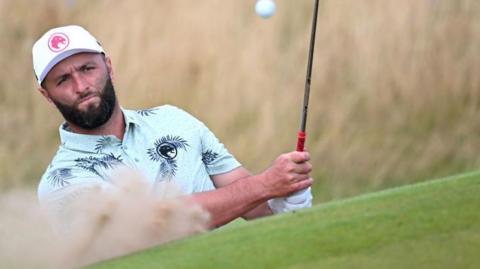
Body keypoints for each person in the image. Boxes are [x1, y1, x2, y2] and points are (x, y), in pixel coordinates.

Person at [32, 25, 313, 229]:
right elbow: (157, 223)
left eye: (87, 69)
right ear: (47, 95)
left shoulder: (172, 120)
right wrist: (265, 185)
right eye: (63, 80)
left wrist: (286, 196)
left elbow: (253, 204)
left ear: (109, 66)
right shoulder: (61, 181)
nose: (81, 87)